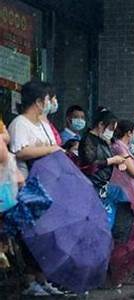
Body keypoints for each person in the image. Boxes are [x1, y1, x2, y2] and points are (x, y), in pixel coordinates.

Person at [6, 81, 63, 296]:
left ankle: (43, 279)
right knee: (31, 235)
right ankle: (30, 281)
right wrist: (50, 149)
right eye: (49, 99)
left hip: (47, 186)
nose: (51, 103)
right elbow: (20, 152)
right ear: (39, 101)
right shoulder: (20, 124)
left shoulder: (43, 124)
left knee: (46, 235)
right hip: (28, 188)